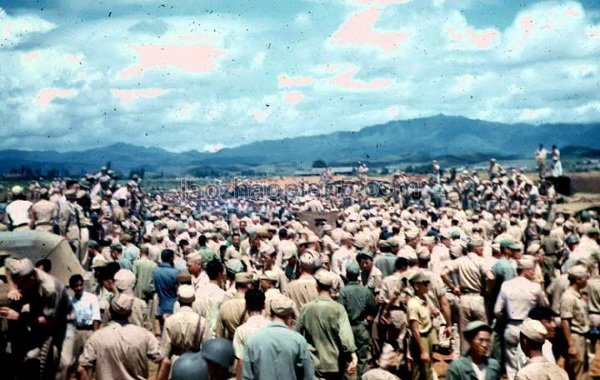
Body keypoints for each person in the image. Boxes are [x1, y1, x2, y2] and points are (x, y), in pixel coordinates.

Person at [1, 257, 73, 379]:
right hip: (37, 309)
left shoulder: (50, 289)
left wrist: (18, 317)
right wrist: (13, 287)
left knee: (62, 363)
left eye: (21, 284)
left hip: (61, 319)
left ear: (32, 278)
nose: (20, 287)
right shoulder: (23, 274)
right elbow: (7, 265)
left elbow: (49, 321)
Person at [77, 293, 163, 380]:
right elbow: (165, 362)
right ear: (130, 312)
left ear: (110, 311)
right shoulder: (144, 334)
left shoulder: (97, 337)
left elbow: (81, 369)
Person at [296, 270, 357, 379]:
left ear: (316, 286)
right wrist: (353, 356)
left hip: (313, 362)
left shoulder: (306, 309)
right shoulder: (338, 309)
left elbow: (297, 335)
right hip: (334, 363)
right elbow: (345, 336)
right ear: (330, 287)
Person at [494, 257, 549, 379]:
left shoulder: (507, 285)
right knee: (531, 360)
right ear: (526, 270)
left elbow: (497, 311)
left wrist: (506, 320)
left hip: (511, 326)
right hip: (529, 328)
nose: (533, 273)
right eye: (532, 270)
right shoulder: (535, 287)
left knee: (511, 364)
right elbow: (544, 305)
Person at [242, 297, 314, 380]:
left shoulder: (253, 340)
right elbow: (308, 376)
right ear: (289, 316)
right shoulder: (298, 340)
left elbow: (247, 376)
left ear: (270, 313)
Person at [157, 285, 212, 380]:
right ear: (193, 300)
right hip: (196, 362)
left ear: (178, 300)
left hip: (176, 362)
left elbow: (165, 350)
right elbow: (207, 348)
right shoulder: (202, 321)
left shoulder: (170, 320)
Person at [339, 261, 378, 378]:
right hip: (362, 328)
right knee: (362, 358)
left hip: (347, 328)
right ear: (358, 275)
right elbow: (374, 308)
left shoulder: (343, 292)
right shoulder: (365, 290)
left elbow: (339, 311)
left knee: (347, 359)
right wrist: (369, 317)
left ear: (347, 274)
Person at [560, 265, 590, 380]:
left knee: (582, 370)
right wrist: (571, 345)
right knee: (577, 373)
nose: (586, 281)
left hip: (581, 337)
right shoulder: (568, 297)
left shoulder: (578, 295)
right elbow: (565, 322)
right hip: (575, 338)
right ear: (577, 280)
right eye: (584, 278)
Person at [233, 289, 271, 379]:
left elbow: (240, 361)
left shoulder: (241, 330)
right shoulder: (272, 327)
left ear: (246, 306)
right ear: (264, 305)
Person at [407, 271, 435, 380]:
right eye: (425, 283)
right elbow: (415, 329)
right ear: (416, 286)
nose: (427, 286)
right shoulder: (413, 305)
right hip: (420, 339)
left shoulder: (424, 299)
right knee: (419, 372)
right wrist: (423, 351)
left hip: (427, 337)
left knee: (428, 369)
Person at [69, 274, 101, 366]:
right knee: (75, 360)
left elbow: (96, 317)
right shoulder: (70, 301)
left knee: (89, 360)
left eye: (80, 285)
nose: (79, 288)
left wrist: (94, 336)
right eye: (76, 286)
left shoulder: (92, 298)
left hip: (89, 331)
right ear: (72, 287)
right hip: (76, 332)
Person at [154, 249, 178, 327]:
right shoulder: (174, 272)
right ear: (171, 258)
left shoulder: (156, 271)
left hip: (161, 306)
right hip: (172, 306)